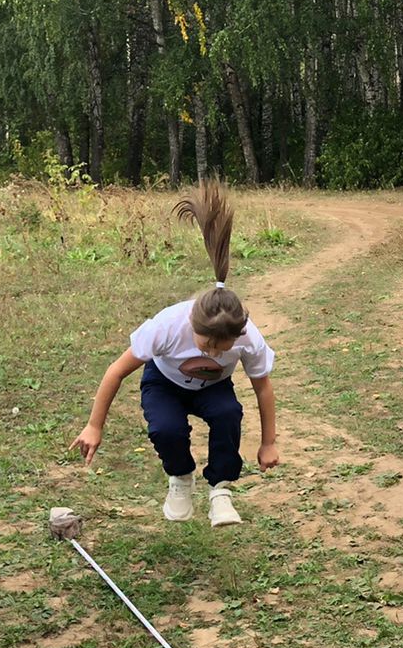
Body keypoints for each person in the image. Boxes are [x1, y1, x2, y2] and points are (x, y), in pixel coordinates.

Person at [71, 182, 280, 527]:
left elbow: (263, 388)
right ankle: (181, 479)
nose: (212, 351)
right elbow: (115, 372)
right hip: (164, 383)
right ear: (191, 324)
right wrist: (94, 426)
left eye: (221, 347)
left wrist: (268, 443)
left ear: (239, 334)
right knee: (166, 429)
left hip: (214, 388)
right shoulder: (167, 326)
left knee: (228, 414)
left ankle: (221, 489)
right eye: (205, 343)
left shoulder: (248, 336)